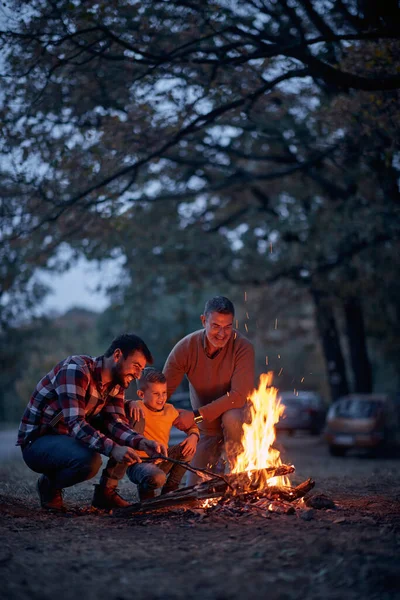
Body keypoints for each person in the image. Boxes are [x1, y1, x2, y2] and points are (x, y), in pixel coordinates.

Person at [17, 333, 167, 512]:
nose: (137, 375)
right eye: (136, 366)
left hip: (67, 435)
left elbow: (116, 421)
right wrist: (113, 448)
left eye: (141, 369)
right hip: (39, 441)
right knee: (89, 461)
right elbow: (76, 424)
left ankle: (106, 491)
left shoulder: (117, 383)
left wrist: (142, 442)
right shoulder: (76, 370)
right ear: (117, 355)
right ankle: (49, 485)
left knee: (134, 415)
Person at [163, 296, 255, 485]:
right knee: (194, 489)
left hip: (240, 424)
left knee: (231, 418)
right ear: (204, 321)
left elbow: (238, 397)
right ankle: (215, 471)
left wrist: (195, 415)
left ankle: (240, 476)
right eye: (215, 326)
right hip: (207, 429)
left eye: (227, 327)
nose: (222, 334)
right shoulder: (185, 349)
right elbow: (162, 393)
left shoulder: (243, 347)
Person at [111, 368, 199, 501]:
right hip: (140, 463)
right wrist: (130, 402)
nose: (161, 398)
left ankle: (170, 489)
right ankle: (147, 493)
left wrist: (193, 436)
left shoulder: (170, 410)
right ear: (141, 394)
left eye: (164, 392)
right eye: (156, 393)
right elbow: (112, 404)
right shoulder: (137, 407)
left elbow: (191, 424)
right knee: (157, 478)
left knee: (188, 449)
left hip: (163, 459)